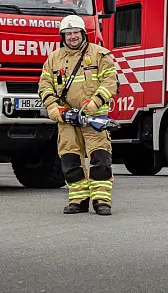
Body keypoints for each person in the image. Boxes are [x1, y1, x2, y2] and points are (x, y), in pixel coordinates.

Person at [38, 15, 119, 215]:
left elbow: (111, 81)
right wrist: (52, 107)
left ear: (83, 33)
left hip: (93, 118)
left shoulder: (100, 55)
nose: (72, 37)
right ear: (62, 36)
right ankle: (78, 199)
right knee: (69, 158)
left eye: (76, 33)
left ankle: (102, 200)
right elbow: (44, 85)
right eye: (68, 33)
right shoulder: (53, 59)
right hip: (65, 118)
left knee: (100, 158)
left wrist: (95, 102)